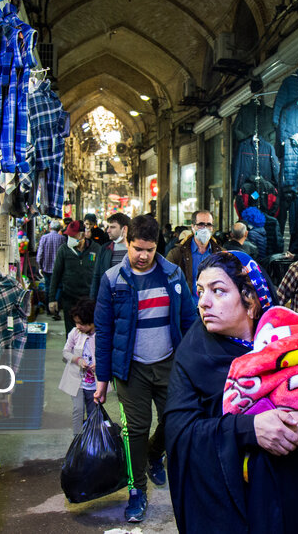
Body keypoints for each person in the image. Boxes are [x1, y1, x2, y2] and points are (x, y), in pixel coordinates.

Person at [165, 251, 298, 533]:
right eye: (201, 291)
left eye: (218, 291)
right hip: (236, 512)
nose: (204, 302)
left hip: (297, 501)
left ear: (251, 300)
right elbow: (180, 432)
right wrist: (249, 428)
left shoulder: (291, 342)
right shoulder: (193, 354)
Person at [94, 213, 197, 523]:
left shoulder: (174, 275)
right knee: (135, 431)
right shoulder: (112, 279)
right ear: (127, 242)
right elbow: (104, 330)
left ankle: (155, 453)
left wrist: (194, 364)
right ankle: (136, 491)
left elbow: (189, 321)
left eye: (149, 250)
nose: (142, 256)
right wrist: (102, 379)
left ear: (156, 247)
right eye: (137, 248)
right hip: (131, 369)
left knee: (175, 420)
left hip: (169, 364)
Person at [50, 220, 102, 334]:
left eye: (73, 235)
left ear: (82, 235)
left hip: (89, 299)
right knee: (71, 333)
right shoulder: (63, 250)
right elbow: (56, 275)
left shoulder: (96, 249)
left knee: (88, 332)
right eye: (69, 235)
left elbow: (101, 274)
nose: (70, 238)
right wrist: (52, 299)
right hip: (69, 298)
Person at [58, 299, 98, 438]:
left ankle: (92, 439)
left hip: (94, 383)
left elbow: (108, 353)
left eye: (81, 323)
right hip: (77, 381)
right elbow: (66, 352)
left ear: (91, 322)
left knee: (94, 411)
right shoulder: (75, 333)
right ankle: (78, 439)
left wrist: (98, 364)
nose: (77, 326)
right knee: (78, 409)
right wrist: (78, 359)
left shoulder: (101, 335)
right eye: (76, 322)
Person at [167, 210, 223, 293]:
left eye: (209, 225)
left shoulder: (221, 254)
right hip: (188, 304)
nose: (205, 228)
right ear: (192, 227)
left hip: (213, 304)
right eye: (201, 224)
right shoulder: (177, 254)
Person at [91, 212, 131, 298]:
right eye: (109, 227)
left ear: (124, 229)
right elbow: (97, 275)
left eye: (112, 227)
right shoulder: (105, 249)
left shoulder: (135, 249)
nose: (108, 230)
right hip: (108, 298)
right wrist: (93, 299)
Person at [37, 220, 67, 319]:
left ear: (50, 227)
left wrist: (40, 266)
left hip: (47, 268)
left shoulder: (44, 238)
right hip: (59, 269)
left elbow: (40, 254)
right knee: (58, 288)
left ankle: (49, 309)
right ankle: (56, 309)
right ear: (59, 229)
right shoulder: (62, 238)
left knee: (48, 288)